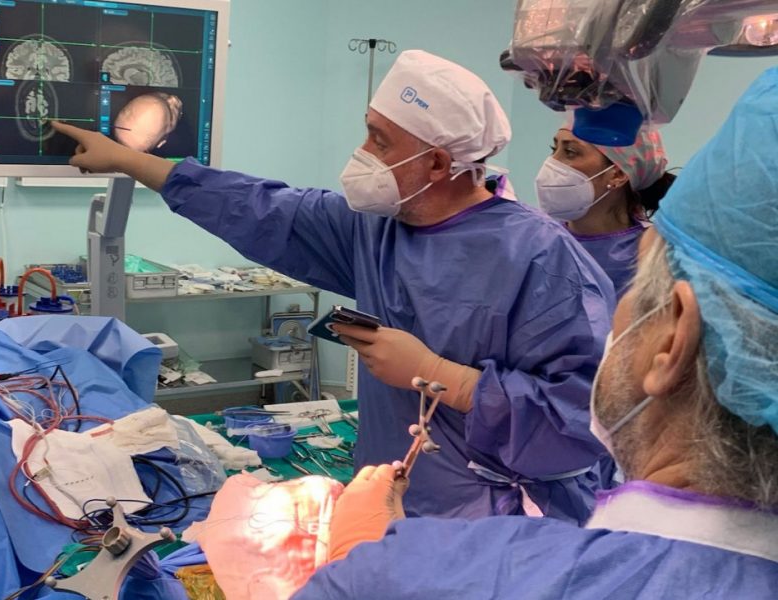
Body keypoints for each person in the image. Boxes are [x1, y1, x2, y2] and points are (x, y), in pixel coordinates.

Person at [52, 50, 615, 523]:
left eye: (379, 140)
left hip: (495, 528)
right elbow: (258, 207)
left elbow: (582, 419)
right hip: (390, 503)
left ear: (438, 163)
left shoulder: (541, 260)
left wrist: (442, 377)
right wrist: (127, 159)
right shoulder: (375, 230)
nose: (363, 153)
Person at [295, 66, 778, 599]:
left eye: (637, 295)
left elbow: (568, 417)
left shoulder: (458, 578)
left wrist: (365, 561)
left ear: (671, 341)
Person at [536, 116, 675, 299]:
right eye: (554, 149)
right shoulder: (539, 242)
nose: (552, 163)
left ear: (617, 174)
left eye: (570, 152)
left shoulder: (655, 257)